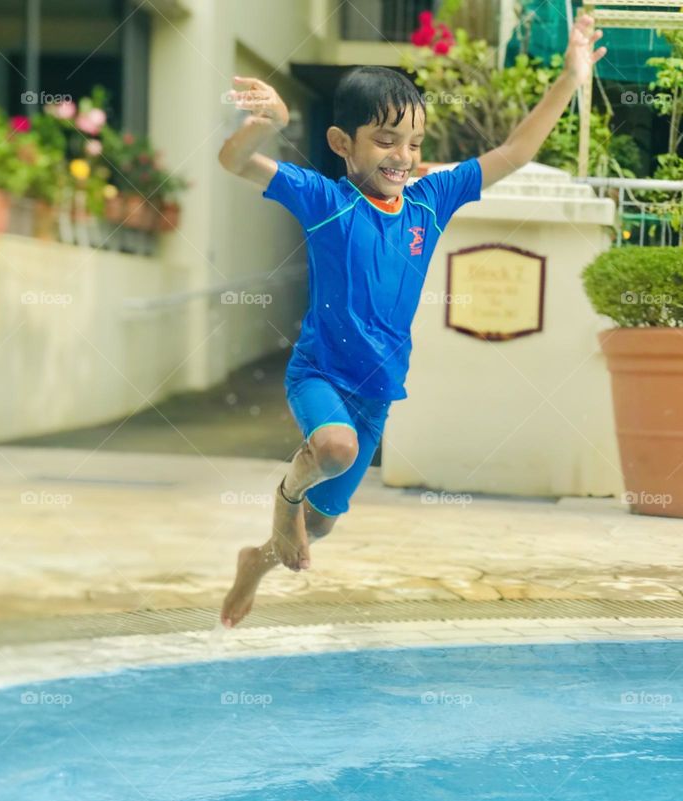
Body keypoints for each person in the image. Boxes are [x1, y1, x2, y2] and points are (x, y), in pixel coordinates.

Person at [218, 14, 606, 628]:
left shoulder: (430, 199)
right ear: (344, 144)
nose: (402, 157)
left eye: (414, 143)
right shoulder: (325, 201)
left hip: (377, 393)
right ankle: (283, 502)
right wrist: (270, 124)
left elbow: (515, 151)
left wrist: (570, 79)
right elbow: (236, 163)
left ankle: (257, 560)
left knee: (323, 525)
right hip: (319, 373)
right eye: (385, 140)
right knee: (332, 448)